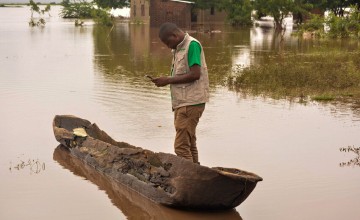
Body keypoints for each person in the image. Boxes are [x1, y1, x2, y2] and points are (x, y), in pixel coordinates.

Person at [151, 22, 209, 164]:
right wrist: (166, 80)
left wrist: (168, 80)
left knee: (181, 147)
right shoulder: (178, 49)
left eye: (168, 42)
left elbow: (195, 74)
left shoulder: (192, 45)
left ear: (175, 35)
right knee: (189, 143)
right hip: (183, 102)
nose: (167, 46)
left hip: (190, 103)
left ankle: (190, 179)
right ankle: (197, 175)